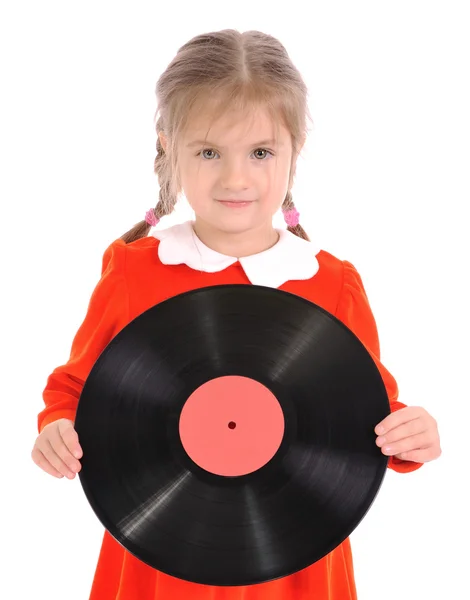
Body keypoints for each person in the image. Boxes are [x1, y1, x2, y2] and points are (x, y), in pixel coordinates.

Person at [32, 28, 441, 600]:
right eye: (208, 152)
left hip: (296, 567)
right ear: (167, 147)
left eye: (260, 152)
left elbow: (366, 414)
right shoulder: (131, 271)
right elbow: (72, 392)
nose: (235, 178)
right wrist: (55, 429)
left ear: (295, 149)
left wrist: (411, 436)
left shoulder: (333, 284)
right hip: (162, 561)